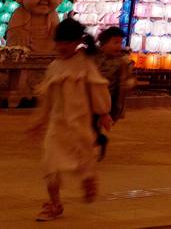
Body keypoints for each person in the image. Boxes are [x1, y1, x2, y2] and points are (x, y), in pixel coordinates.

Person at [28, 18, 112, 222]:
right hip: (57, 126)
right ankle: (54, 203)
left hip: (79, 124)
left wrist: (103, 113)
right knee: (50, 165)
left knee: (83, 160)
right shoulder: (54, 67)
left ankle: (88, 179)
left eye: (68, 43)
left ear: (77, 43)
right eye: (60, 42)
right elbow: (47, 98)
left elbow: (97, 88)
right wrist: (39, 120)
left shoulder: (85, 64)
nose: (63, 47)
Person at [93, 27, 135, 159]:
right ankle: (98, 140)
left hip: (108, 100)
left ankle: (98, 140)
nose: (118, 46)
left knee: (93, 123)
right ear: (104, 43)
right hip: (91, 97)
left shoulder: (121, 61)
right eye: (115, 42)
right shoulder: (93, 57)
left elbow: (127, 79)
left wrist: (129, 82)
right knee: (88, 124)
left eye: (120, 43)